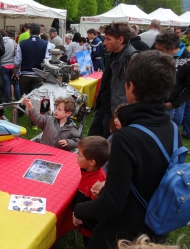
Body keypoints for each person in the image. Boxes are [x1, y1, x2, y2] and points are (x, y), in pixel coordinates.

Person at [73, 50, 177, 248]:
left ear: (131, 86)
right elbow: (149, 172)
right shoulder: (171, 126)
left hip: (123, 233)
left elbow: (112, 203)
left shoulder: (126, 137)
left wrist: (80, 209)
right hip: (154, 223)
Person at [88, 22, 135, 139]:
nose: (104, 42)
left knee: (108, 146)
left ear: (121, 39)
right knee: (92, 141)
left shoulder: (131, 58)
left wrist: (121, 114)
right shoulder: (111, 55)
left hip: (117, 112)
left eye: (108, 39)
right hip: (104, 107)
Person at [15, 23, 51, 129]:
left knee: (23, 96)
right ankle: (34, 121)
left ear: (29, 32)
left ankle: (19, 114)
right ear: (40, 32)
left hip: (25, 74)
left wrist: (16, 70)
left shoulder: (22, 43)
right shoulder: (46, 44)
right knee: (36, 98)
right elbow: (47, 60)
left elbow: (17, 60)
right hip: (38, 74)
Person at [73, 136, 109, 247]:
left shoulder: (96, 183)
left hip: (90, 227)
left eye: (79, 155)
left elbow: (97, 208)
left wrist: (79, 215)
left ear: (92, 162)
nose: (76, 156)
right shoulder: (89, 170)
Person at [154, 31, 190, 117]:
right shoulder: (160, 55)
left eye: (160, 50)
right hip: (155, 101)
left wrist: (175, 104)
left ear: (172, 48)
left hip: (170, 105)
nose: (157, 52)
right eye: (156, 49)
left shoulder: (188, 61)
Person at [0, 29, 20, 103]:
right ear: (6, 34)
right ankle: (18, 100)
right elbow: (16, 53)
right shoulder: (13, 42)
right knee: (16, 83)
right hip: (13, 66)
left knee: (6, 84)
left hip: (3, 66)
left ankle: (7, 100)